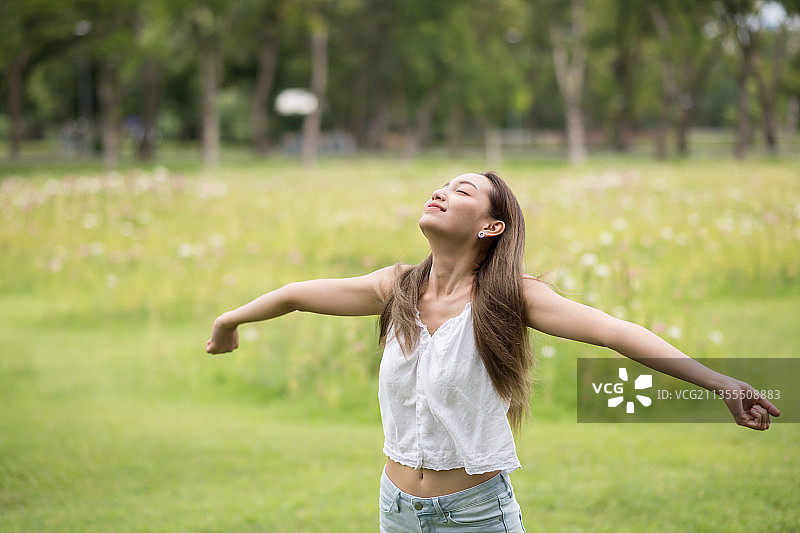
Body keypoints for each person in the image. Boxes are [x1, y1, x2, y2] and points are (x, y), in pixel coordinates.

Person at [206, 171, 780, 532]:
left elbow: (616, 332)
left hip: (475, 516)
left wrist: (722, 384)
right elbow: (295, 295)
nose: (441, 191)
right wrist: (230, 320)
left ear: (491, 226)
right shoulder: (398, 286)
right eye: (441, 185)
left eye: (463, 192)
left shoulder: (512, 298)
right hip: (396, 510)